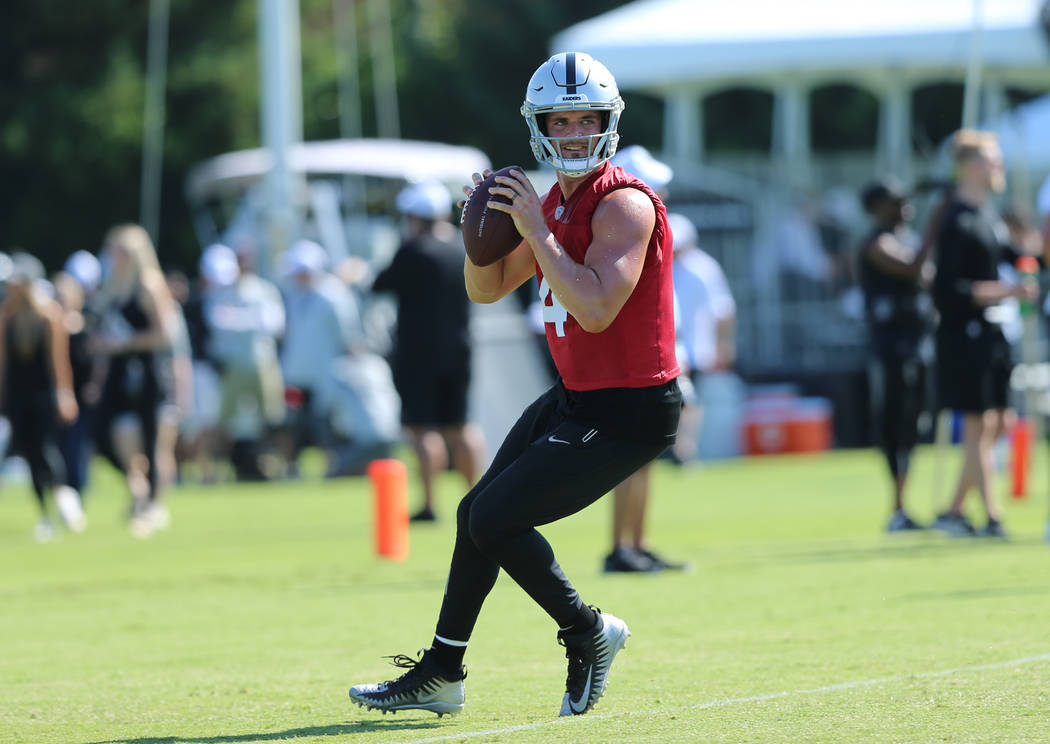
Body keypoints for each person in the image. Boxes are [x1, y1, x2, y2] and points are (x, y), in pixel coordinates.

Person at [349, 51, 682, 718]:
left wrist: (534, 228)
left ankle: (586, 629)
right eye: (559, 121)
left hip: (632, 405)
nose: (573, 133)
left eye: (584, 118)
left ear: (607, 121)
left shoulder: (623, 203)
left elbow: (593, 307)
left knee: (495, 517)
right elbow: (488, 288)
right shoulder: (553, 202)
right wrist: (479, 233)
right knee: (475, 515)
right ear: (540, 127)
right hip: (579, 395)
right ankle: (443, 672)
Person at [930, 131, 1038, 539]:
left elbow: (1021, 256)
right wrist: (1006, 290)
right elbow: (947, 289)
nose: (1000, 168)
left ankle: (955, 510)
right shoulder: (955, 218)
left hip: (993, 333)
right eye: (994, 161)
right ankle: (992, 516)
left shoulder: (989, 215)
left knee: (999, 420)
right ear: (972, 167)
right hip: (966, 333)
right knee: (978, 423)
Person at [370, 181, 485, 522]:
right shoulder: (462, 248)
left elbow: (380, 284)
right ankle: (477, 498)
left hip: (418, 353)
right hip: (460, 349)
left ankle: (430, 504)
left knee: (423, 429)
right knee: (462, 426)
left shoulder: (412, 251)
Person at [598, 145, 686, 573]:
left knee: (645, 458)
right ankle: (620, 547)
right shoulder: (624, 226)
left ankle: (637, 542)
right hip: (627, 365)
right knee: (628, 460)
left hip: (649, 359)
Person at [88, 224, 180, 538]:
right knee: (108, 432)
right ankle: (139, 492)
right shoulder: (113, 286)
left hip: (147, 372)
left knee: (154, 438)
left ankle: (154, 504)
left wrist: (124, 344)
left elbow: (164, 335)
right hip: (118, 373)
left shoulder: (148, 285)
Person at [857, 177, 935, 532]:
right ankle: (898, 506)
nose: (904, 206)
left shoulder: (907, 241)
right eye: (894, 201)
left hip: (917, 345)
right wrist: (937, 224)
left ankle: (903, 505)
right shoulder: (875, 244)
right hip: (891, 350)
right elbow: (910, 268)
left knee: (912, 424)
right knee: (894, 423)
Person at [0, 252, 82, 541]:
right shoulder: (7, 316)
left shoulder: (48, 316)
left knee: (45, 448)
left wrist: (65, 394)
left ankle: (63, 496)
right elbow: (4, 362)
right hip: (17, 395)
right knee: (30, 453)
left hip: (43, 394)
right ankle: (45, 514)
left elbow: (58, 362)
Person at [202, 242, 286, 481]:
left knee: (270, 417)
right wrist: (249, 320)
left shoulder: (264, 290)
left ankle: (273, 466)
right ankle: (211, 470)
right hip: (232, 365)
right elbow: (217, 321)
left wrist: (239, 320)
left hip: (262, 362)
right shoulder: (222, 292)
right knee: (223, 421)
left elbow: (273, 324)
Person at [668, 212, 737, 464]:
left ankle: (684, 448)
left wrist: (723, 345)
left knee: (688, 399)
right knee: (680, 399)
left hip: (695, 347)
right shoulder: (659, 264)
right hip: (669, 346)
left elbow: (723, 310)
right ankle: (678, 448)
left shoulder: (703, 268)